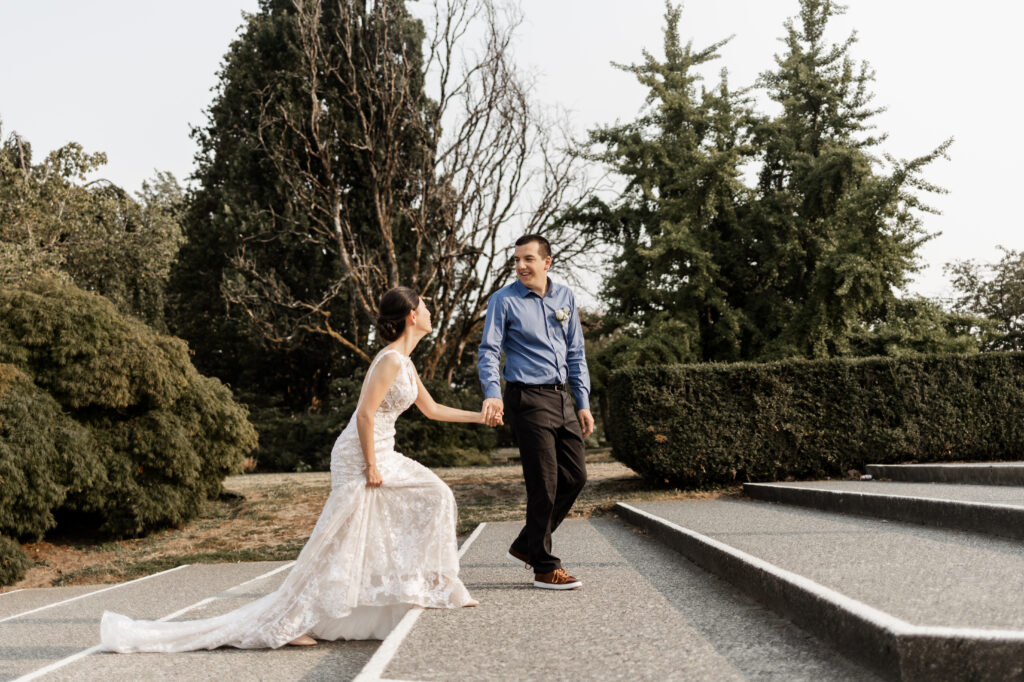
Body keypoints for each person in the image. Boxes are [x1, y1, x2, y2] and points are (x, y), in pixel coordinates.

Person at [100, 287, 487, 652]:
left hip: (382, 450)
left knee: (435, 495)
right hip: (361, 454)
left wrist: (480, 418)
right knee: (338, 540)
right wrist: (370, 466)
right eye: (425, 306)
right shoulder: (388, 360)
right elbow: (365, 415)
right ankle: (289, 621)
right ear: (410, 315)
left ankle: (432, 584)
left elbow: (432, 410)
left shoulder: (405, 363)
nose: (431, 312)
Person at [478, 234, 593, 590]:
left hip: (562, 400)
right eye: (516, 260)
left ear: (547, 262)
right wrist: (492, 394)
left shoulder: (565, 298)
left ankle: (527, 544)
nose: (520, 266)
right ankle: (545, 566)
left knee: (575, 478)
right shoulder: (504, 300)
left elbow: (576, 352)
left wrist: (583, 401)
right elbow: (488, 351)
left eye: (528, 259)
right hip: (526, 398)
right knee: (544, 483)